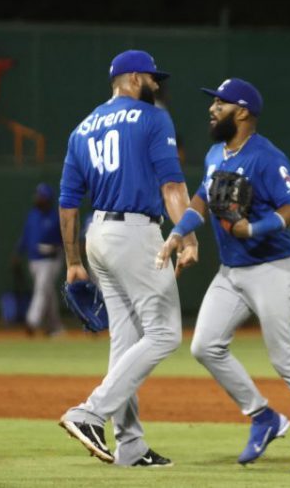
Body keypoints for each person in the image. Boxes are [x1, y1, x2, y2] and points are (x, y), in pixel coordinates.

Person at [156, 78, 290, 473]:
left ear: (242, 111)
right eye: (213, 103)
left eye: (220, 103)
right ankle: (264, 417)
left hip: (274, 270)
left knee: (285, 359)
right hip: (232, 272)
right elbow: (201, 199)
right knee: (205, 346)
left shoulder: (265, 156)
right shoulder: (216, 153)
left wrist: (254, 229)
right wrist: (179, 231)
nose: (212, 109)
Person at [57, 49, 198, 467]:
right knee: (165, 334)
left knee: (127, 341)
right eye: (153, 78)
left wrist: (73, 261)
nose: (157, 85)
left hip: (96, 236)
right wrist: (186, 235)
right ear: (134, 78)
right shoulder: (153, 118)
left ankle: (130, 445)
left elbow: (67, 203)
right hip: (134, 232)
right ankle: (89, 412)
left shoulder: (82, 128)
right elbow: (172, 186)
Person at [13, 183, 65, 337]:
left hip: (51, 261)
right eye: (37, 195)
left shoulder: (56, 217)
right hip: (34, 260)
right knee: (47, 292)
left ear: (48, 199)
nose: (37, 198)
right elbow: (26, 236)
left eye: (40, 196)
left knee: (41, 289)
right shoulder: (33, 215)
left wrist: (55, 247)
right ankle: (55, 327)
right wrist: (17, 252)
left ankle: (32, 321)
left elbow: (65, 240)